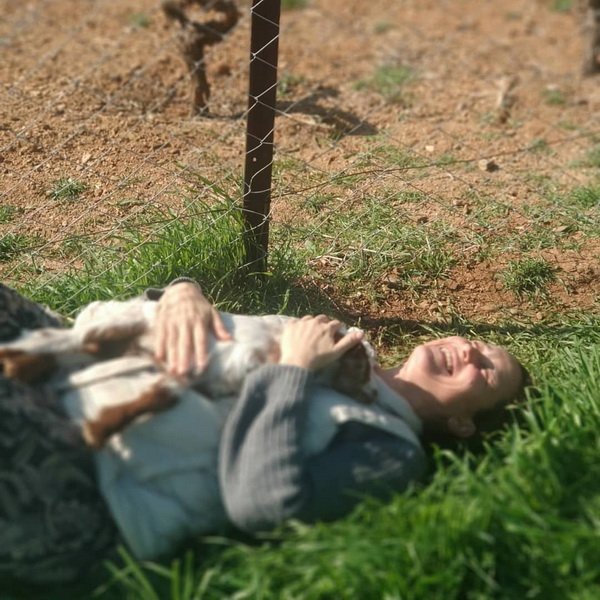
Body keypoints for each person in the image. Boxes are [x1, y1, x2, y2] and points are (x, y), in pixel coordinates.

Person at [0, 279, 529, 586]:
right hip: (60, 361)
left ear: (463, 422)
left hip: (93, 479)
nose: (470, 351)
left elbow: (262, 503)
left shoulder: (391, 448)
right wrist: (182, 292)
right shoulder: (339, 347)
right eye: (479, 344)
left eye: (485, 370)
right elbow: (199, 331)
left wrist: (292, 371)